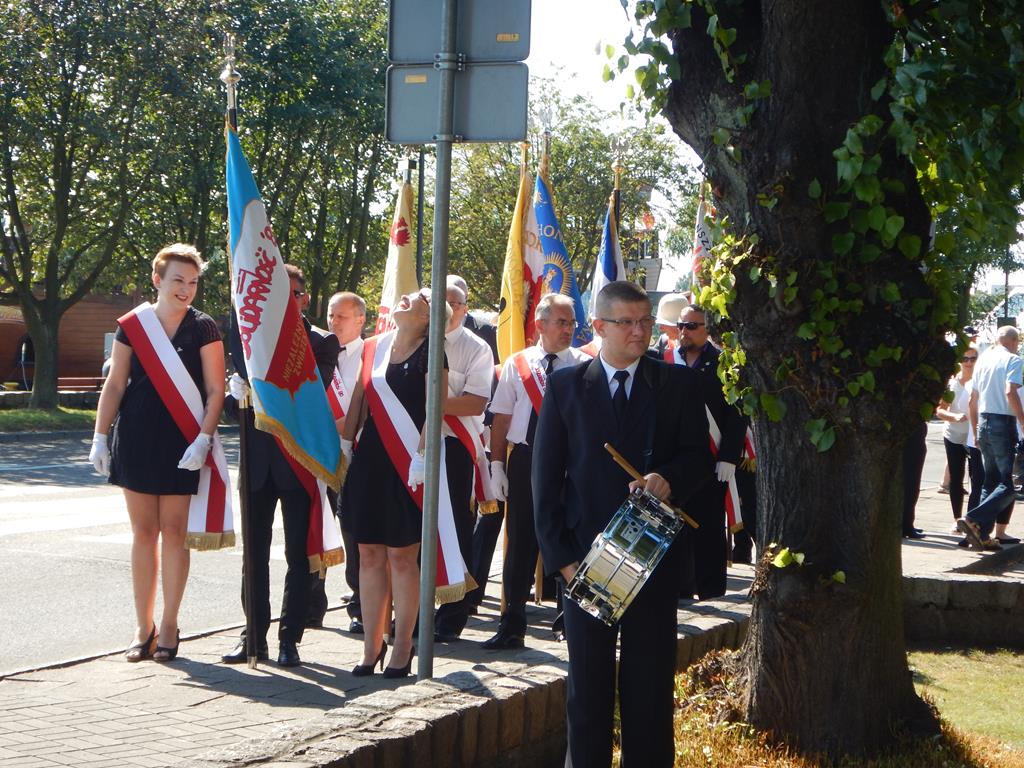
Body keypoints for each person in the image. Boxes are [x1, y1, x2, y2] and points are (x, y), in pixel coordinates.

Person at [533, 280, 713, 768]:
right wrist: (563, 562)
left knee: (649, 693)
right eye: (627, 322)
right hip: (586, 564)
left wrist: (668, 479)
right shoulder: (567, 386)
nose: (639, 332)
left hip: (652, 558)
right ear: (599, 326)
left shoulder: (677, 384)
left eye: (646, 321)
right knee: (587, 695)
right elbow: (545, 483)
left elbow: (699, 458)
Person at [90, 244, 225, 662]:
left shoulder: (203, 327)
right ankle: (142, 626)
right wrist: (99, 436)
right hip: (136, 437)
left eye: (193, 282)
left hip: (183, 441)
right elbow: (115, 383)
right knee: (143, 533)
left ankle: (169, 624)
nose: (186, 289)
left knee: (174, 531)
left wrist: (203, 438)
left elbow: (215, 391)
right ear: (157, 280)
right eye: (178, 280)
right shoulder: (134, 325)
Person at [221, 264, 341, 667]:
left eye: (293, 294)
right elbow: (233, 410)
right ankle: (253, 636)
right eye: (275, 293)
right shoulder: (249, 341)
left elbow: (311, 392)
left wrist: (259, 383)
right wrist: (236, 392)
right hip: (257, 463)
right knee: (253, 555)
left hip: (298, 464)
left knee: (298, 556)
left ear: (304, 299)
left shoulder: (322, 342)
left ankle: (290, 637)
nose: (285, 301)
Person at [341, 290, 451, 677]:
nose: (406, 297)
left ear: (428, 317)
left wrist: (421, 457)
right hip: (370, 460)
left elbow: (434, 409)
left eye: (419, 297)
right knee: (369, 553)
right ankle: (371, 646)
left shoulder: (432, 353)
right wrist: (345, 444)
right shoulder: (374, 347)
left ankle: (403, 645)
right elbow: (360, 399)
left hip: (408, 464)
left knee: (402, 557)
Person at [481, 293, 590, 650]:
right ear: (540, 325)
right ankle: (511, 624)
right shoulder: (518, 363)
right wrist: (497, 464)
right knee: (520, 541)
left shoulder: (585, 365)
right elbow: (501, 418)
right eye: (561, 322)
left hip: (570, 462)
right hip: (526, 459)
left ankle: (569, 620)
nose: (568, 329)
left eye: (571, 323)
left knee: (569, 538)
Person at [433, 278, 494, 642]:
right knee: (414, 530)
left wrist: (430, 403)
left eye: (453, 303)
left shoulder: (476, 348)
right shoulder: (416, 339)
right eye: (438, 300)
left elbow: (475, 402)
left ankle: (452, 614)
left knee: (455, 528)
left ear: (465, 309)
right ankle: (415, 610)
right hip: (413, 443)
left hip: (455, 446)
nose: (445, 308)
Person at [675, 304, 746, 598]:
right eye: (681, 325)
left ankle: (711, 590)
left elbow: (737, 413)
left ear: (707, 330)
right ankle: (680, 590)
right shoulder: (663, 358)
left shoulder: (723, 364)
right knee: (676, 529)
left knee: (709, 529)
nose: (684, 331)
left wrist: (729, 456)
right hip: (675, 460)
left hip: (710, 460)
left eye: (692, 326)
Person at [309, 291, 367, 634]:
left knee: (354, 531)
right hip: (317, 453)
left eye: (341, 316)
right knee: (315, 526)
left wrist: (333, 430)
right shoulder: (316, 350)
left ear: (360, 319)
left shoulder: (371, 354)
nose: (333, 322)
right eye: (331, 315)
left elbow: (367, 407)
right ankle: (312, 604)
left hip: (354, 454)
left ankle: (361, 604)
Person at [960, 326, 1024, 550]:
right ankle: (973, 518)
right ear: (1014, 341)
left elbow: (973, 400)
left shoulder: (983, 361)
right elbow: (1010, 391)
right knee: (1010, 484)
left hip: (984, 422)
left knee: (991, 481)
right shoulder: (1013, 360)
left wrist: (975, 430)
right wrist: (1023, 423)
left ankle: (982, 534)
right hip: (1003, 423)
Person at [936, 344, 984, 531]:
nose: (969, 363)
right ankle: (957, 519)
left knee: (976, 479)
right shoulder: (952, 383)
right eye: (965, 359)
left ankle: (971, 520)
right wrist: (953, 416)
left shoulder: (981, 380)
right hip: (953, 435)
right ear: (959, 361)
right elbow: (940, 410)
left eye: (973, 359)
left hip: (974, 437)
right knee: (956, 478)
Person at [651, 292, 687, 361]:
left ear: (677, 325)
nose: (661, 328)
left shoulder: (696, 346)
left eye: (664, 324)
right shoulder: (664, 341)